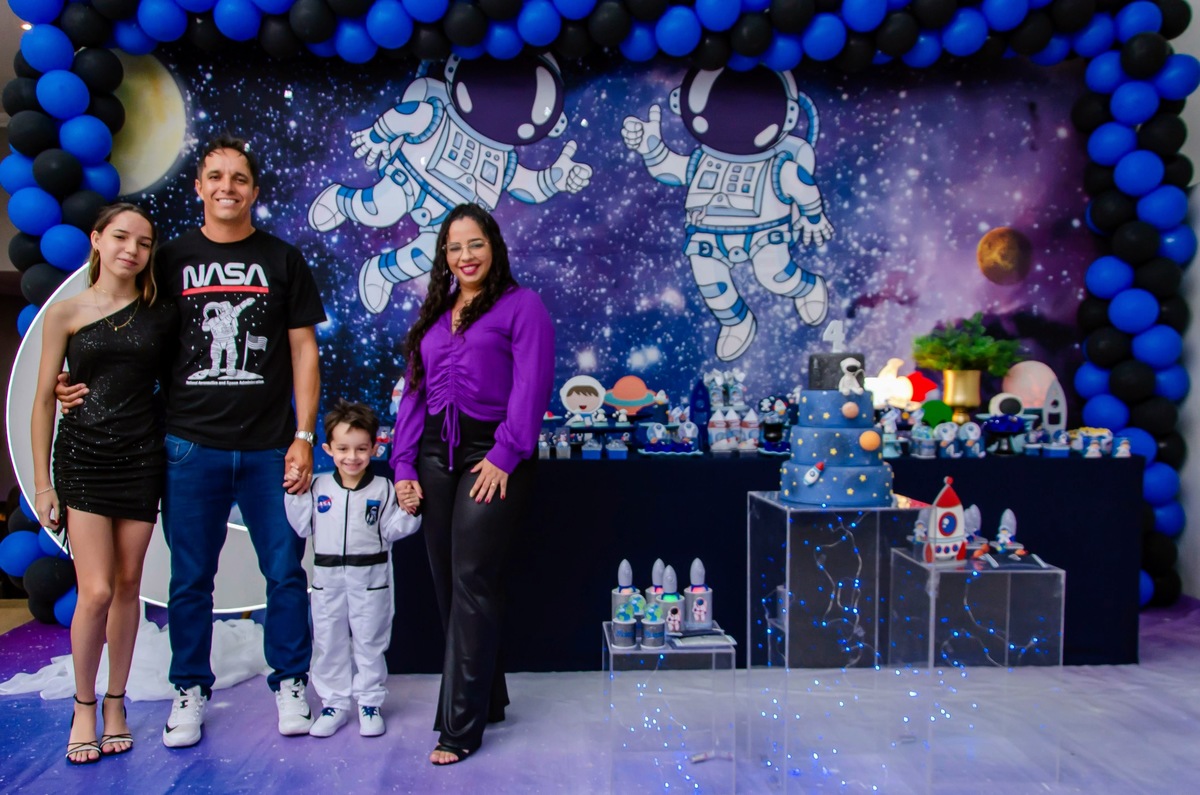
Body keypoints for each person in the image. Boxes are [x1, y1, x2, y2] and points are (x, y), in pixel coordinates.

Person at [58, 135, 326, 748]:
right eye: (216, 177)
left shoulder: (283, 260)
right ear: (199, 187)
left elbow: (303, 349)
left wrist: (305, 435)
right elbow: (120, 332)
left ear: (254, 192)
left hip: (269, 448)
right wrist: (69, 382)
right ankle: (190, 691)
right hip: (187, 446)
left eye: (239, 178)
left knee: (285, 572)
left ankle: (290, 682)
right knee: (189, 579)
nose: (227, 187)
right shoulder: (168, 261)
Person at [391, 203, 555, 765]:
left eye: (476, 244)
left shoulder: (522, 305)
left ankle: (458, 727)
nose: (466, 256)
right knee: (446, 583)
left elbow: (532, 387)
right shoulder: (434, 315)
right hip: (437, 453)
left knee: (472, 577)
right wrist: (405, 466)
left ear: (495, 248)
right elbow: (414, 395)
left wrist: (506, 455)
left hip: (494, 451)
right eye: (455, 247)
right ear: (445, 256)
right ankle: (488, 697)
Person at [31, 203, 176, 764]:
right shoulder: (64, 314)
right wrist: (45, 486)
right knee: (93, 590)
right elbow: (47, 397)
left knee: (126, 586)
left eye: (143, 243)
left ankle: (117, 701)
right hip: (83, 459)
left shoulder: (160, 313)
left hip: (141, 458)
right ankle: (85, 705)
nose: (131, 250)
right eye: (120, 237)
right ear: (96, 240)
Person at [284, 401, 421, 739]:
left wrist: (411, 510)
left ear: (375, 447)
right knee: (329, 641)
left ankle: (369, 702)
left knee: (370, 642)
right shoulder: (318, 488)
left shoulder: (384, 489)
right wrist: (295, 492)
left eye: (361, 448)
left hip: (371, 580)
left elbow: (393, 530)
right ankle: (334, 702)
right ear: (328, 449)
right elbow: (302, 527)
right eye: (343, 448)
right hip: (328, 581)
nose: (352, 457)